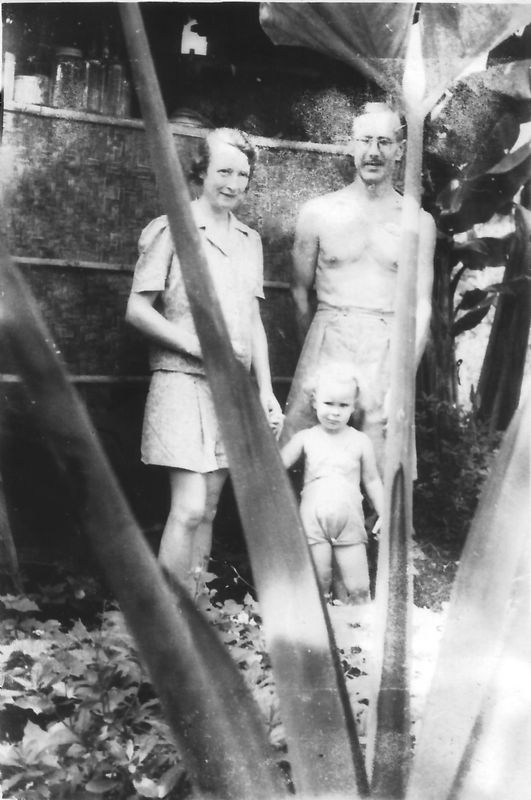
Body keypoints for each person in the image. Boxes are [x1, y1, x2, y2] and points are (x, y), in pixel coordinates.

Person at [126, 128, 282, 593]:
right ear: (201, 172)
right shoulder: (171, 226)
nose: (233, 182)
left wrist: (266, 390)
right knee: (190, 506)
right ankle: (168, 622)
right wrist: (197, 346)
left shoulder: (249, 240)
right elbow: (136, 309)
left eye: (243, 174)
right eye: (223, 171)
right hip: (180, 380)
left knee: (210, 506)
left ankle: (196, 612)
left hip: (230, 389)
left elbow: (253, 320)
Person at [282, 101, 436, 471]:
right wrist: (315, 355)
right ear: (351, 145)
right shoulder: (318, 212)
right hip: (328, 337)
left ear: (399, 151)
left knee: (381, 463)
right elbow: (300, 291)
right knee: (299, 457)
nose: (373, 152)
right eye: (365, 140)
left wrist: (401, 379)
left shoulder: (418, 221)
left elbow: (422, 306)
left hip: (385, 348)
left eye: (385, 142)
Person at [281, 364, 383, 603]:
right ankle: (324, 635)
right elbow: (276, 466)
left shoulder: (360, 441)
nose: (335, 412)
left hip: (349, 522)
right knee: (318, 583)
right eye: (329, 403)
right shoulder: (305, 438)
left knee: (358, 587)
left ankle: (359, 631)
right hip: (312, 523)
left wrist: (385, 512)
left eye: (343, 405)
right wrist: (273, 431)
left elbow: (372, 480)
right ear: (314, 401)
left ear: (354, 406)